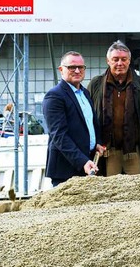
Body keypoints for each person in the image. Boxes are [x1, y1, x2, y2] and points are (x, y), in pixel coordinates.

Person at [88, 40, 140, 176]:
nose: (120, 63)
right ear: (108, 61)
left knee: (138, 188)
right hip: (107, 150)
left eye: (124, 59)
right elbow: (91, 115)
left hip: (133, 151)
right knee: (109, 190)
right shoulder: (96, 84)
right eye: (115, 59)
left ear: (129, 61)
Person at [43, 51, 105, 187]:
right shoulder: (54, 97)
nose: (77, 71)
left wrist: (97, 143)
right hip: (66, 170)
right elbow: (59, 136)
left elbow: (91, 124)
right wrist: (82, 161)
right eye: (72, 67)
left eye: (81, 67)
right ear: (61, 70)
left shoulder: (85, 93)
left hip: (87, 166)